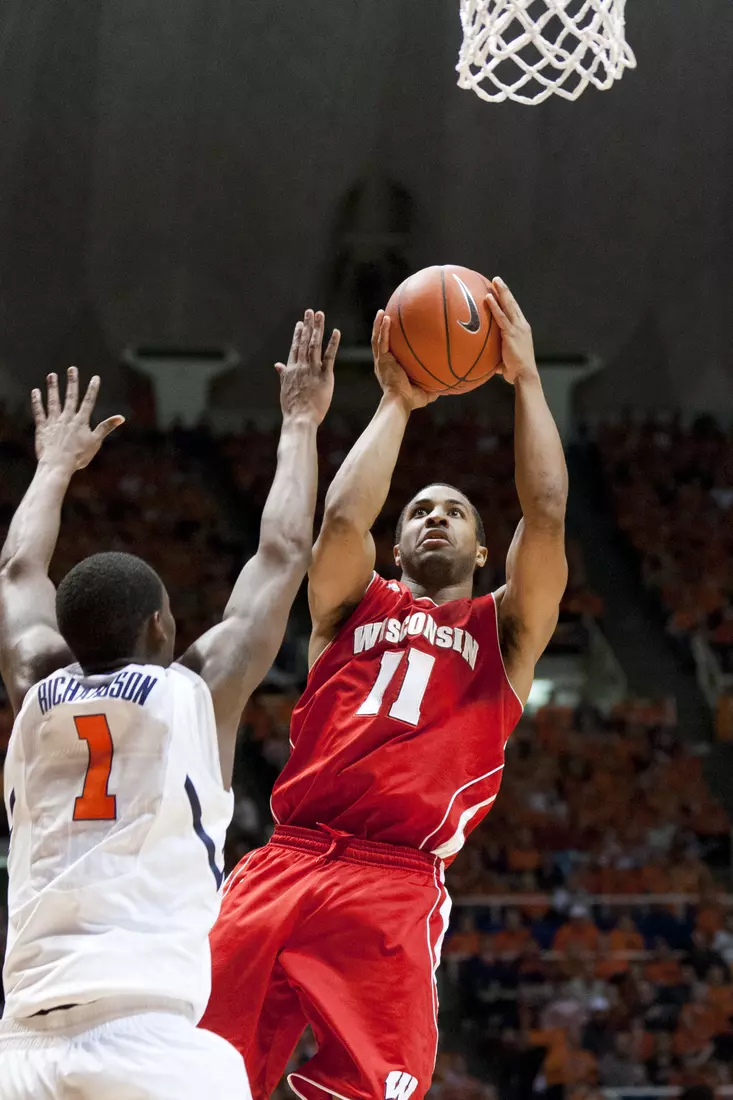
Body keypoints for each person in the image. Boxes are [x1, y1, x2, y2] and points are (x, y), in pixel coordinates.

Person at [202, 278, 568, 1100]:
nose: (433, 517)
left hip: (392, 879)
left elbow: (543, 514)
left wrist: (529, 381)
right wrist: (396, 402)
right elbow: (337, 525)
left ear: (481, 552)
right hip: (285, 859)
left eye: (454, 512)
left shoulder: (502, 632)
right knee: (198, 1070)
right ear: (395, 544)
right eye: (417, 511)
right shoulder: (347, 603)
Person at [0, 309, 339, 1099]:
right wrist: (299, 421)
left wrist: (53, 465)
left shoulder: (33, 686)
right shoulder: (196, 694)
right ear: (162, 624)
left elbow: (19, 570)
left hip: (21, 1042)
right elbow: (284, 553)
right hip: (149, 1038)